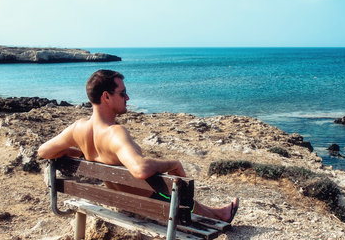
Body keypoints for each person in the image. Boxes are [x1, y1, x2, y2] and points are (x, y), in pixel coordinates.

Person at [38, 69, 238, 222]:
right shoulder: (115, 132)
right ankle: (218, 215)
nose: (128, 98)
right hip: (148, 202)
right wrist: (173, 163)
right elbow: (140, 169)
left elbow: (44, 151)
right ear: (106, 96)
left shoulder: (77, 128)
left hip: (118, 198)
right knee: (176, 197)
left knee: (172, 195)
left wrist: (77, 151)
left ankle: (216, 212)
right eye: (123, 93)